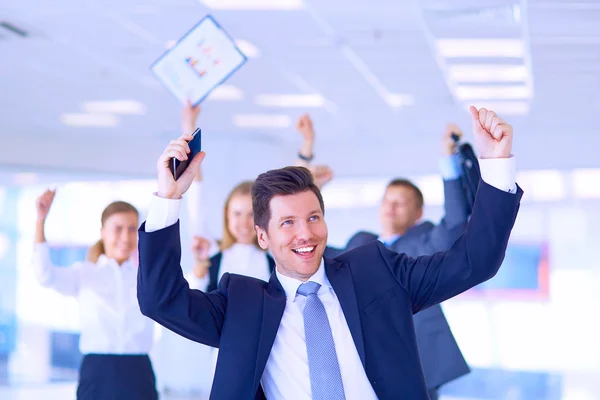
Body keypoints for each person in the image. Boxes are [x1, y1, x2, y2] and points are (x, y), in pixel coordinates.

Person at [137, 106, 522, 399]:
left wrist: (496, 165)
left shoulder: (377, 271)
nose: (306, 233)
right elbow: (160, 300)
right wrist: (168, 198)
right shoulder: (241, 305)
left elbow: (474, 261)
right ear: (262, 236)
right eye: (287, 223)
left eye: (314, 217)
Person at [324, 124, 472, 399]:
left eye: (400, 203)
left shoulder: (425, 243)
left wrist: (448, 159)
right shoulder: (361, 244)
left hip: (417, 363)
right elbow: (314, 252)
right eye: (386, 200)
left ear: (417, 213)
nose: (390, 207)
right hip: (365, 360)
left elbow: (455, 224)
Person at [33, 191, 157, 400]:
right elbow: (44, 275)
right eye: (117, 229)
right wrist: (40, 221)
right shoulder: (84, 273)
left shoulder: (146, 278)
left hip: (139, 371)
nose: (125, 237)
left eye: (132, 229)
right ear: (102, 232)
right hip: (97, 371)